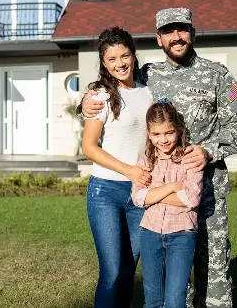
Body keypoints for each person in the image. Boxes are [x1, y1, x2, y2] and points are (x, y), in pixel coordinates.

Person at [79, 7, 237, 308]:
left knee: (213, 268)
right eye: (169, 31)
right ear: (159, 39)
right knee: (169, 271)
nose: (176, 36)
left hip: (207, 191)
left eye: (182, 29)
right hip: (162, 189)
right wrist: (83, 103)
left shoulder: (218, 74)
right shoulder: (149, 75)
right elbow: (110, 86)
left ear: (193, 33)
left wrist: (209, 150)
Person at [81, 26, 153, 308]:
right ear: (104, 63)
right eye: (112, 59)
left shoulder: (149, 92)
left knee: (127, 272)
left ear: (134, 56)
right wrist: (128, 170)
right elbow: (89, 147)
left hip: (139, 193)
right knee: (111, 273)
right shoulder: (99, 95)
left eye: (124, 56)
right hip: (105, 192)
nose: (120, 63)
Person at [131, 100, 203, 308]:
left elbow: (191, 199)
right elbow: (138, 198)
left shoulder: (190, 157)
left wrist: (152, 194)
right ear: (148, 133)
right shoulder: (146, 158)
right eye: (156, 134)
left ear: (178, 130)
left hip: (182, 234)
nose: (163, 140)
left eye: (169, 133)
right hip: (150, 233)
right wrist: (173, 187)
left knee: (174, 300)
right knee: (152, 300)